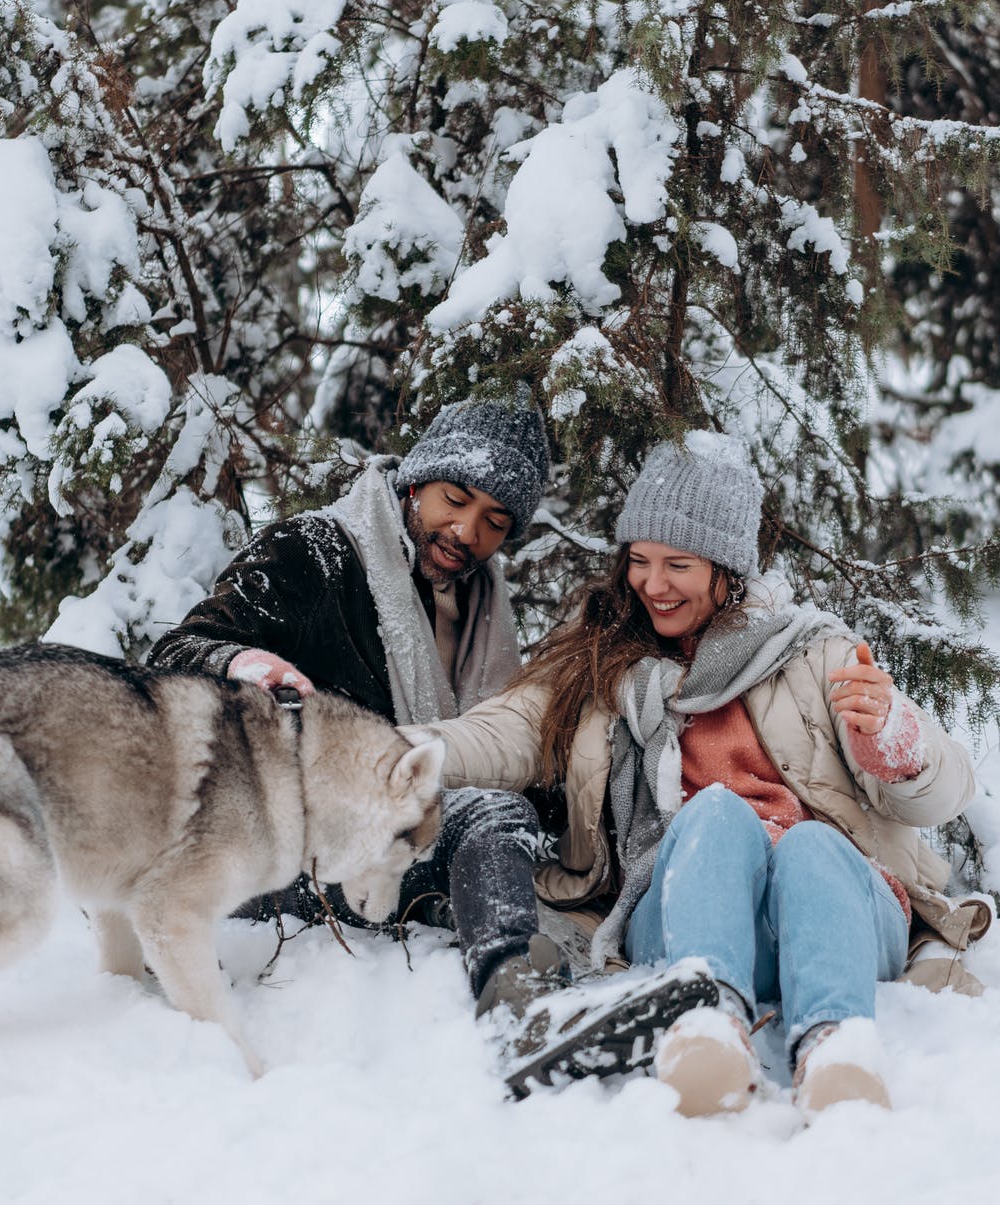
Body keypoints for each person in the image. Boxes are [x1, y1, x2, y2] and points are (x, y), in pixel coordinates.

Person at [407, 434, 992, 1117]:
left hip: (835, 916)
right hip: (688, 909)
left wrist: (894, 740)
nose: (652, 585)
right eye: (639, 561)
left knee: (812, 844)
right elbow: (505, 729)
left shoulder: (815, 653)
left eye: (678, 564)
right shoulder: (600, 666)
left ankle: (837, 1046)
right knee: (713, 814)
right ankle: (709, 1027)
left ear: (727, 567)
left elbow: (949, 788)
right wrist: (393, 753)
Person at [149, 397, 714, 1088]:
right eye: (456, 499)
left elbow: (495, 742)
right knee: (488, 813)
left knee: (516, 831)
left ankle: (565, 989)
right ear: (416, 480)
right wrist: (244, 667)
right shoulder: (315, 552)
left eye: (495, 522)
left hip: (386, 849)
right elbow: (175, 655)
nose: (466, 531)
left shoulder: (478, 607)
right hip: (272, 846)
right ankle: (517, 1007)